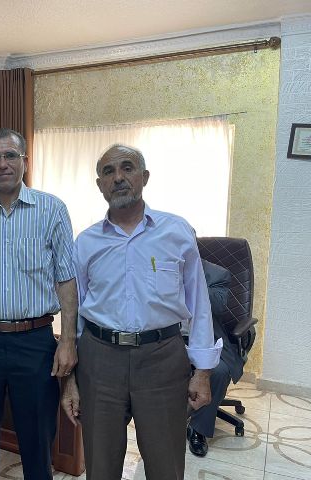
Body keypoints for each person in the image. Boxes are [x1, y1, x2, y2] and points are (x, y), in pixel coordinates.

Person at [61, 144, 222, 480]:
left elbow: (199, 304)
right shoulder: (86, 242)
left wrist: (203, 372)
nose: (118, 177)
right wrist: (70, 380)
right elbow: (75, 314)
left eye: (127, 168)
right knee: (100, 467)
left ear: (144, 177)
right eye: (108, 171)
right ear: (100, 185)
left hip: (162, 359)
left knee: (165, 466)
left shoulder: (176, 232)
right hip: (100, 361)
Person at [0, 128, 78, 480]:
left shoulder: (51, 209)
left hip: (34, 342)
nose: (3, 164)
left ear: (24, 160)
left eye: (10, 155)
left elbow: (67, 280)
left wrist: (68, 340)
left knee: (37, 443)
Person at [187, 259, 243, 457]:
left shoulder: (217, 274)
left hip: (208, 338)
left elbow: (217, 306)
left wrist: (186, 281)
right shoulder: (156, 265)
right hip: (169, 340)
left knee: (217, 371)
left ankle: (198, 429)